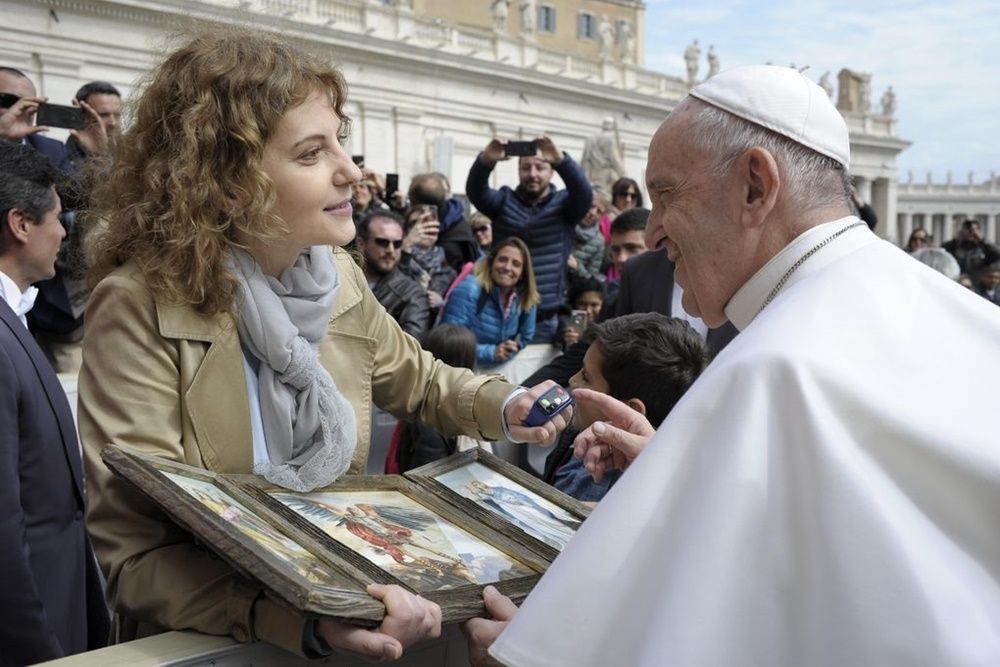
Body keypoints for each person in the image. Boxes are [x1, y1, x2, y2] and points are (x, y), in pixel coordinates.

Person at [467, 65, 1000, 666]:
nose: (655, 228)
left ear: (754, 186)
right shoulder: (951, 309)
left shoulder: (773, 367)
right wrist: (683, 470)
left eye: (666, 194)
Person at [77, 30, 569, 662]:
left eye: (342, 139)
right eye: (312, 153)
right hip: (212, 645)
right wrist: (297, 622)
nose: (350, 170)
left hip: (344, 621)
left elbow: (417, 378)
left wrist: (511, 407)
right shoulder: (137, 302)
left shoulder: (338, 277)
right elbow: (135, 557)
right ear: (226, 184)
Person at [0, 140, 110, 663]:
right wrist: (36, 646)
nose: (64, 232)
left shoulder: (14, 319)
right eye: (57, 217)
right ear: (21, 225)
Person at [543, 314, 709, 502]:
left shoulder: (606, 481)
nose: (573, 380)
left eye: (586, 377)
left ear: (631, 411)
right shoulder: (577, 434)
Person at [465, 135, 592, 342]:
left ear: (552, 172)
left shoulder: (565, 206)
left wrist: (561, 160)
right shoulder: (503, 201)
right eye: (526, 168)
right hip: (503, 316)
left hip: (546, 319)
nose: (532, 174)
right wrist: (486, 160)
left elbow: (584, 194)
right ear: (518, 171)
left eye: (540, 167)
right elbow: (476, 191)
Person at [440, 237, 539, 368]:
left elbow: (526, 336)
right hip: (462, 369)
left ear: (522, 273)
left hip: (496, 370)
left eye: (516, 264)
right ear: (491, 262)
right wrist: (491, 352)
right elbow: (448, 341)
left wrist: (510, 349)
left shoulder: (524, 297)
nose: (508, 267)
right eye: (502, 260)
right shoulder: (470, 289)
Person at [357, 210, 431, 338]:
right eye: (382, 242)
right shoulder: (340, 279)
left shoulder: (412, 294)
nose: (391, 250)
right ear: (361, 244)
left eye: (397, 244)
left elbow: (410, 346)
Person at [65, 80, 123, 168]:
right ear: (81, 116)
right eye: (103, 115)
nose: (113, 123)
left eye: (117, 115)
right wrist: (99, 155)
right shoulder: (62, 159)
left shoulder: (132, 154)